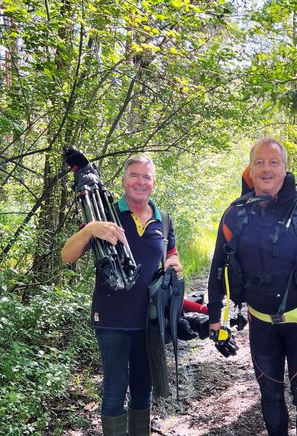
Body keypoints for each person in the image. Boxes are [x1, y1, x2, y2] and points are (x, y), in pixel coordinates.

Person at [207, 137, 297, 436]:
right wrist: (213, 317)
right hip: (260, 323)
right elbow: (218, 268)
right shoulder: (234, 215)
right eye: (259, 162)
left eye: (273, 162)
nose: (266, 169)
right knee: (270, 395)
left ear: (285, 168)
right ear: (250, 168)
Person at [61, 155, 182, 436]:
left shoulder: (162, 219)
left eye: (147, 177)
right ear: (125, 180)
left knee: (143, 387)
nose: (141, 181)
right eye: (135, 175)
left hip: (149, 320)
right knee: (115, 388)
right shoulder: (105, 214)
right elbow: (66, 256)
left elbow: (171, 255)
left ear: (153, 183)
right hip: (112, 318)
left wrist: (175, 264)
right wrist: (90, 230)